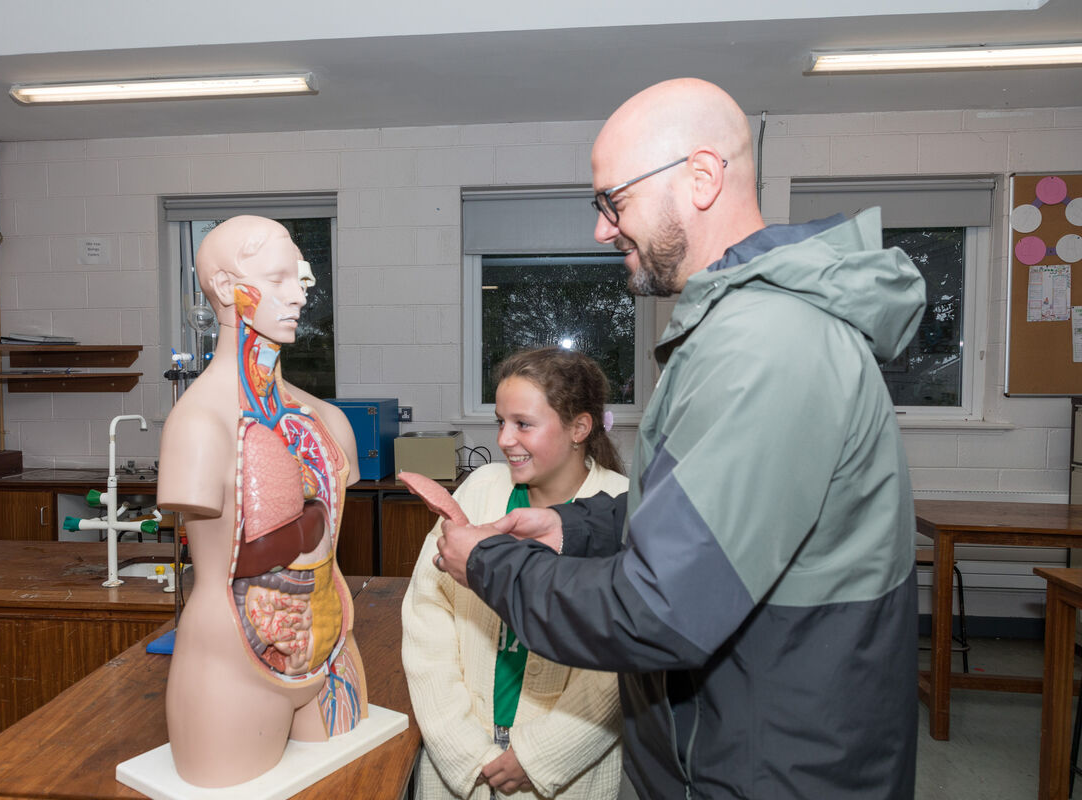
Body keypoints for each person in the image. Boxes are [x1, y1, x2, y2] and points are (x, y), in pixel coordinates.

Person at [436, 78, 927, 799]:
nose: (602, 229)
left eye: (614, 200)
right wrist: (572, 529)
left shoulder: (766, 344)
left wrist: (493, 566)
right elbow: (694, 514)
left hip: (772, 770)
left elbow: (658, 610)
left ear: (700, 178)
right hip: (744, 743)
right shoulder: (740, 328)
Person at [157, 215, 366, 787]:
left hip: (332, 645)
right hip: (231, 666)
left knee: (352, 787)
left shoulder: (328, 420)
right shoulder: (198, 425)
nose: (299, 295)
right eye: (277, 279)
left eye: (300, 278)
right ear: (225, 288)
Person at [402, 347, 627, 800]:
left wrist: (540, 756)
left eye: (523, 424)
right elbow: (428, 610)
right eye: (500, 422)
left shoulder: (626, 507)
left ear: (579, 428)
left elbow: (620, 666)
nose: (505, 439)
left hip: (569, 774)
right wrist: (462, 749)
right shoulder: (482, 487)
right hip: (459, 763)